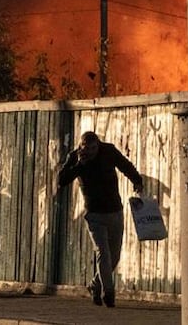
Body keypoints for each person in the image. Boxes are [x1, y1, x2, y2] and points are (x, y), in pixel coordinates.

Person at [57, 130, 143, 308]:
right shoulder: (75, 157)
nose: (90, 152)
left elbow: (125, 165)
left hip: (114, 210)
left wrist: (137, 180)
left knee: (114, 255)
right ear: (81, 147)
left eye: (93, 148)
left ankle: (95, 285)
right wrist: (79, 165)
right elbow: (61, 180)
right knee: (102, 252)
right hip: (94, 214)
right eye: (86, 148)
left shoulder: (108, 151)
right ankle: (109, 293)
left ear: (98, 145)